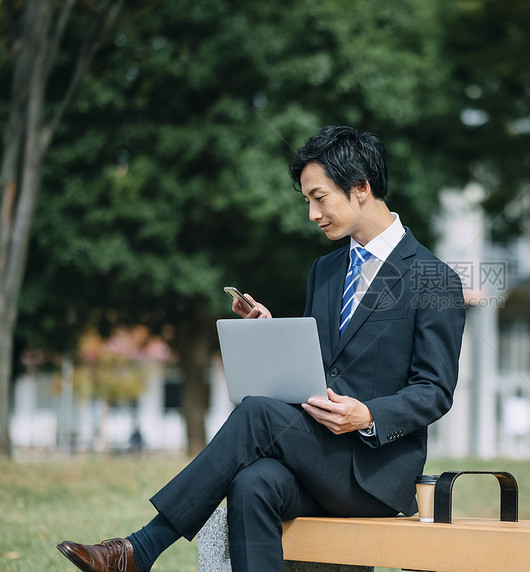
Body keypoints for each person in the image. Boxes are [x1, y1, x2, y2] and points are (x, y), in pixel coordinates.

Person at [57, 125, 466, 572]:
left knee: (254, 412)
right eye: (307, 201)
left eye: (319, 197)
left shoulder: (434, 277)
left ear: (361, 188)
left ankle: (142, 548)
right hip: (316, 457)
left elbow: (434, 390)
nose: (312, 213)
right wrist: (274, 337)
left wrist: (367, 416)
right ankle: (137, 553)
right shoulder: (325, 270)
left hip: (371, 475)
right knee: (253, 482)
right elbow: (319, 366)